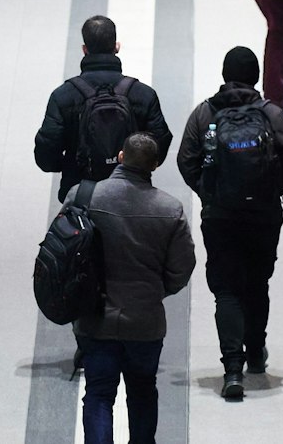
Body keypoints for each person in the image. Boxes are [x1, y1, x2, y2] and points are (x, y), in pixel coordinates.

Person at [176, 47, 283, 400]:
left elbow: (186, 161)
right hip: (264, 216)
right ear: (256, 76)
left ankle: (233, 370)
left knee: (227, 290)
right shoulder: (271, 113)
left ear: (224, 73)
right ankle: (256, 352)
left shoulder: (204, 114)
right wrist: (269, 191)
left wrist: (209, 192)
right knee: (257, 282)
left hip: (220, 217)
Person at [71, 132, 195, 444]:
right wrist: (155, 291)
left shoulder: (83, 197)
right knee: (142, 391)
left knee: (98, 394)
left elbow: (61, 254)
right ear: (154, 164)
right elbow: (182, 268)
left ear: (121, 156)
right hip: (145, 322)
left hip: (95, 317)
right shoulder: (171, 210)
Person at [33, 14, 173, 200]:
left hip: (81, 196)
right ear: (116, 46)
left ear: (85, 49)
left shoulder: (63, 96)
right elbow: (159, 147)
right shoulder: (143, 94)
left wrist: (72, 163)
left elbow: (46, 156)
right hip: (131, 195)